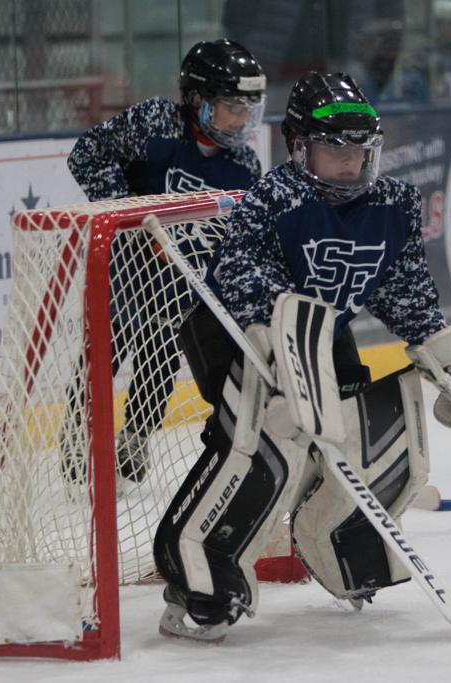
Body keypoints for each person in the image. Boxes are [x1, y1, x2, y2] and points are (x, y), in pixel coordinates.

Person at [152, 71, 451, 642]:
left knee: (372, 421)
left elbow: (407, 292)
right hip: (235, 330)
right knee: (266, 432)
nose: (349, 162)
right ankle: (200, 576)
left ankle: (344, 546)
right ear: (300, 145)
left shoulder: (393, 205)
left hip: (321, 331)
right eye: (333, 148)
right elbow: (239, 275)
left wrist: (446, 359)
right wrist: (278, 347)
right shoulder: (276, 197)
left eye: (360, 149)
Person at [62, 39, 266, 483]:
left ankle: (136, 437)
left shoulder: (245, 164)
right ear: (198, 101)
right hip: (125, 267)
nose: (242, 118)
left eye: (249, 106)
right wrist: (124, 213)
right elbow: (88, 153)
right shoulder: (156, 122)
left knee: (161, 355)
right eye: (232, 106)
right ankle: (80, 433)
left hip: (182, 280)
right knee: (107, 347)